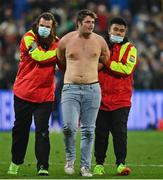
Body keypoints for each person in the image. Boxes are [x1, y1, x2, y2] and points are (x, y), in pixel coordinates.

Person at [57, 9, 109, 177]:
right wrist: (73, 73)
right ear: (78, 23)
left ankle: (85, 166)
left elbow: (105, 59)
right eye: (87, 22)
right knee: (69, 127)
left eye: (93, 22)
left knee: (88, 130)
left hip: (92, 89)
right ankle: (70, 160)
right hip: (70, 88)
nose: (91, 25)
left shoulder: (100, 41)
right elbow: (61, 60)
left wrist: (92, 70)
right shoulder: (65, 40)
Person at [7, 12, 59, 176]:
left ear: (52, 28)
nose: (44, 28)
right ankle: (16, 162)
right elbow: (39, 57)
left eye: (47, 27)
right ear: (37, 24)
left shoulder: (57, 43)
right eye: (42, 25)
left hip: (44, 95)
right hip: (24, 92)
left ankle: (43, 166)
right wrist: (58, 53)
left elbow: (63, 63)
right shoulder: (29, 38)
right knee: (20, 130)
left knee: (42, 131)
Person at [93, 17, 137, 176]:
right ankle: (99, 164)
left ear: (125, 32)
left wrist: (106, 62)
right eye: (116, 29)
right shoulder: (99, 45)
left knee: (120, 135)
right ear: (109, 30)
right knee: (101, 134)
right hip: (100, 98)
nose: (118, 33)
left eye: (121, 30)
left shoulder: (130, 49)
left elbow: (126, 70)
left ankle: (120, 164)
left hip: (121, 100)